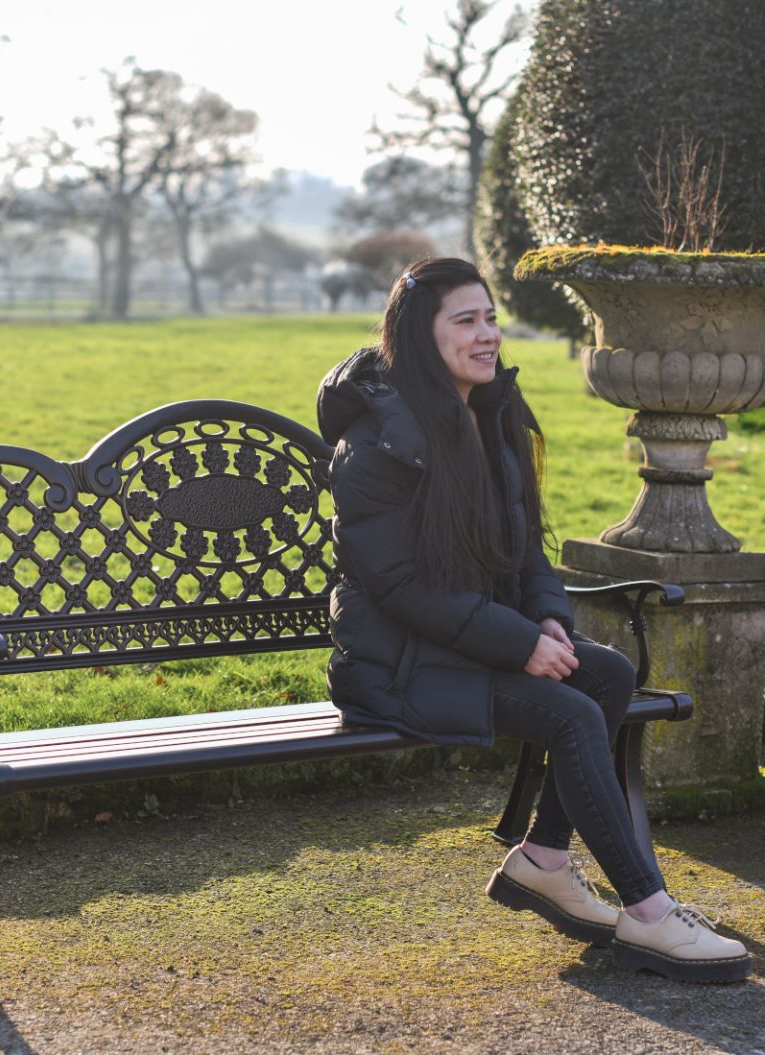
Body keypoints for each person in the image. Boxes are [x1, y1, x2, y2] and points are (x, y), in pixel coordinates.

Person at [317, 256, 750, 984]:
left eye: (490, 318)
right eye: (466, 320)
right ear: (420, 336)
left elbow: (526, 556)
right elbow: (399, 588)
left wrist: (546, 621)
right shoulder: (375, 446)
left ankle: (545, 860)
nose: (487, 335)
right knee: (572, 715)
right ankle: (648, 914)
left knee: (605, 672)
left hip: (467, 646)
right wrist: (518, 646)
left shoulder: (492, 418)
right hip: (395, 664)